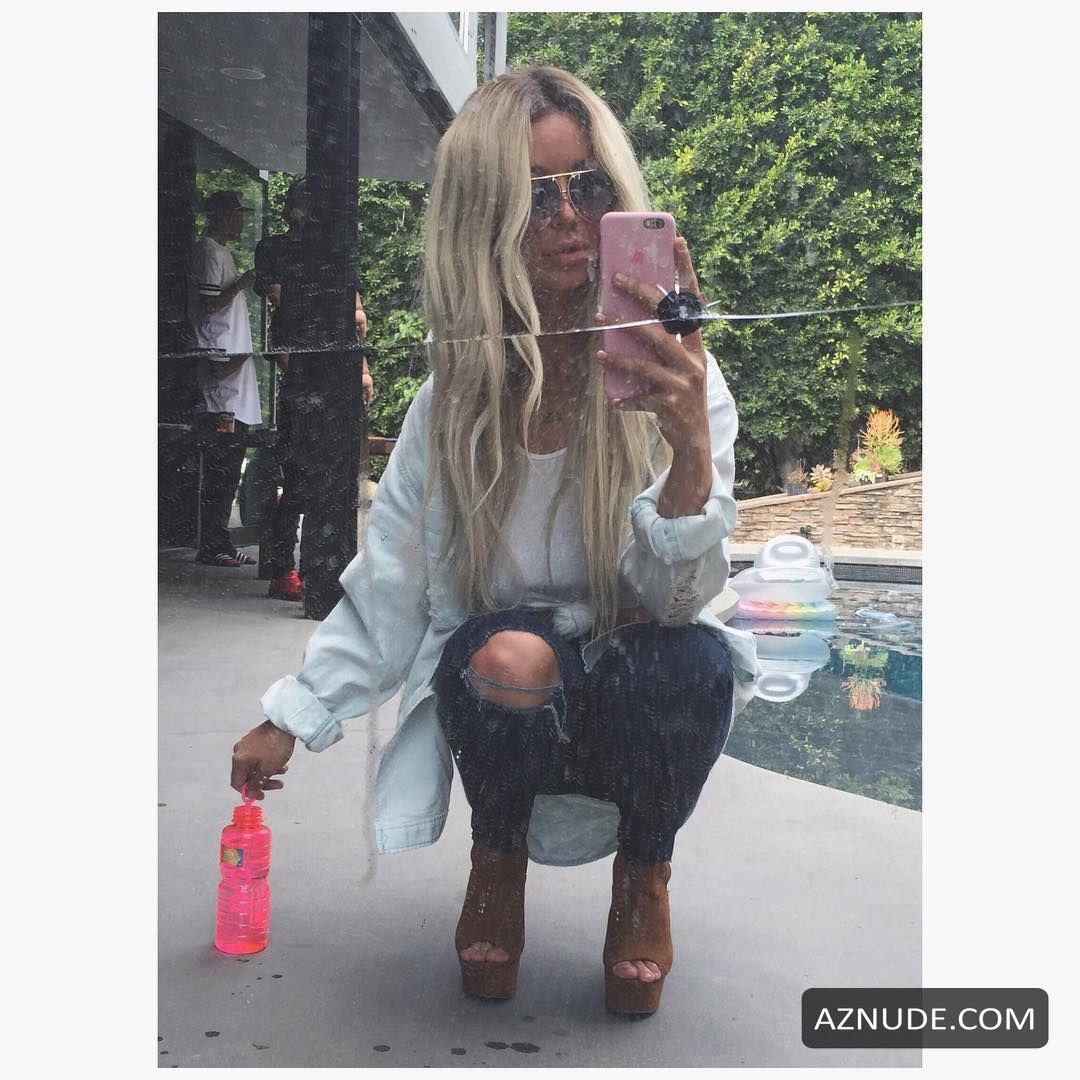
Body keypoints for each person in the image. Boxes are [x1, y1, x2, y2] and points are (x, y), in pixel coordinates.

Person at [229, 67, 758, 1017]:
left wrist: (686, 452)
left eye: (588, 185)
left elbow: (680, 602)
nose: (568, 217)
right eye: (532, 194)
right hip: (509, 694)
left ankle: (646, 874)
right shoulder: (454, 404)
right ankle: (497, 860)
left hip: (636, 692)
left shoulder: (681, 378)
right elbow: (391, 582)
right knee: (510, 651)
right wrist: (294, 714)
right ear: (483, 215)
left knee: (689, 660)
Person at [254, 177, 375, 602]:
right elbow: (283, 302)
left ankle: (313, 570)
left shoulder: (334, 252)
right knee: (297, 477)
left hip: (329, 371)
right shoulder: (278, 249)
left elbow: (356, 315)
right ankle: (284, 567)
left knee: (329, 476)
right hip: (303, 367)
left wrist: (361, 369)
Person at [189, 189, 261, 568]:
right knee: (220, 467)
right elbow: (208, 304)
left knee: (229, 467)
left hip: (233, 381)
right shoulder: (208, 252)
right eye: (235, 212)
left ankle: (221, 540)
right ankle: (211, 544)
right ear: (219, 216)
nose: (241, 219)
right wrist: (242, 283)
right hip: (221, 385)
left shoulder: (222, 253)